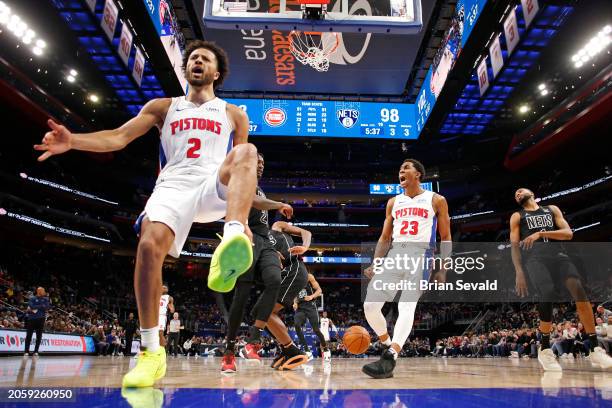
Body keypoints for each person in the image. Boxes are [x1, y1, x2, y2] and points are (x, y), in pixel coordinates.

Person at [34, 40, 258, 387]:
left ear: (216, 73)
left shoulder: (233, 113)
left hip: (213, 185)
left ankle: (231, 236)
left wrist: (244, 223)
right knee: (148, 247)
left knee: (247, 152)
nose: (197, 61)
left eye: (205, 59)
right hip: (173, 186)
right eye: (193, 58)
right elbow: (119, 137)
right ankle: (152, 352)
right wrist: (73, 141)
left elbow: (243, 167)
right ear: (188, 69)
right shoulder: (163, 107)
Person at [362, 159, 451, 379]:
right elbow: (384, 237)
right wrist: (376, 261)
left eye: (406, 168)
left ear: (418, 174)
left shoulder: (436, 199)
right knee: (370, 305)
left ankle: (391, 356)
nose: (401, 170)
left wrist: (443, 268)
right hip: (395, 253)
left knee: (406, 305)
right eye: (400, 168)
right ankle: (387, 344)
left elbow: (446, 236)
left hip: (421, 254)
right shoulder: (393, 202)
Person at [510, 188, 612, 370]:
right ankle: (545, 349)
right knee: (547, 292)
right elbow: (515, 246)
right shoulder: (517, 216)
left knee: (579, 290)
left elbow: (568, 233)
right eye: (516, 194)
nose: (518, 193)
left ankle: (595, 348)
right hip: (535, 259)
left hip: (558, 255)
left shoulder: (552, 209)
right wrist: (518, 271)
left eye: (520, 191)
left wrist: (541, 234)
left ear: (531, 193)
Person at [222, 153, 294, 372]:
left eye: (263, 163)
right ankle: (229, 352)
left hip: (265, 242)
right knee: (241, 296)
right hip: (247, 239)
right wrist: (279, 204)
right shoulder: (242, 183)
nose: (261, 165)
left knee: (274, 280)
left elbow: (261, 205)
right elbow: (255, 202)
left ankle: (252, 341)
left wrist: (275, 252)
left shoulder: (260, 188)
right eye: (257, 162)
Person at [292, 273, 330, 361]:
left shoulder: (309, 276)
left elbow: (319, 290)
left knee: (316, 330)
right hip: (300, 308)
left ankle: (325, 348)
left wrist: (311, 296)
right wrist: (294, 303)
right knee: (297, 325)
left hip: (311, 306)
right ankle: (307, 350)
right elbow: (294, 294)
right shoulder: (293, 279)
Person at [23, 287, 51, 356]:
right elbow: (31, 306)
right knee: (29, 335)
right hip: (31, 319)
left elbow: (47, 307)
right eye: (43, 290)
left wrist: (37, 306)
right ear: (39, 291)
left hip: (41, 319)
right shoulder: (32, 298)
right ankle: (26, 351)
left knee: (39, 336)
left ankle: (36, 351)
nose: (44, 292)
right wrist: (41, 306)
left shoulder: (46, 299)